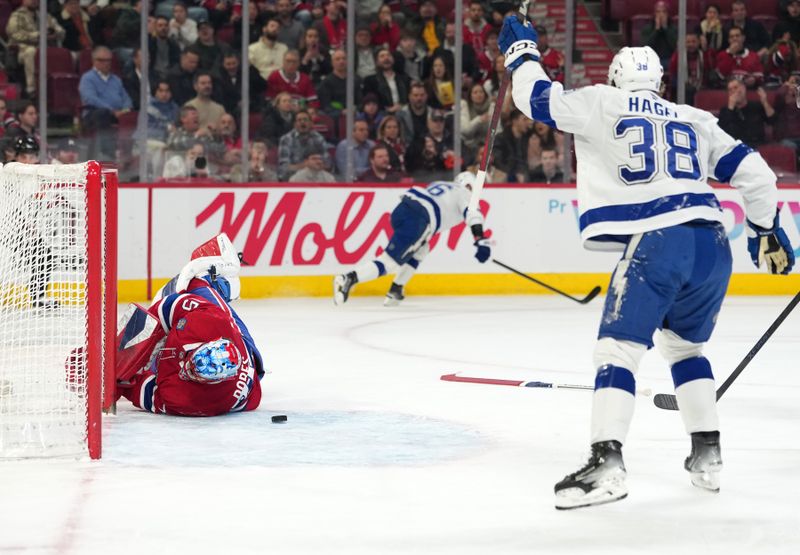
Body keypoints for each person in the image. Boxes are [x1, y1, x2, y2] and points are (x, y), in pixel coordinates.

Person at [498, 18, 794, 509]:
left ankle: (607, 463)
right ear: (658, 81)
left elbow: (535, 100)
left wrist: (522, 52)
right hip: (712, 242)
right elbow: (757, 174)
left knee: (616, 350)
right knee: (684, 349)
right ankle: (707, 456)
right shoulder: (693, 116)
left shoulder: (600, 100)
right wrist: (766, 228)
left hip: (659, 240)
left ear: (616, 77)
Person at [115, 233, 264, 416]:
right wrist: (142, 332)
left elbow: (142, 391)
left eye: (194, 372)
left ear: (209, 383)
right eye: (193, 362)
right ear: (206, 344)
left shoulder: (189, 401)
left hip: (240, 379)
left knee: (257, 371)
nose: (187, 369)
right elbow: (171, 305)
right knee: (196, 283)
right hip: (243, 348)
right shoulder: (212, 322)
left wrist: (117, 381)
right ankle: (217, 280)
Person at [333, 171, 491, 306]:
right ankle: (349, 278)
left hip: (403, 208)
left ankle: (396, 289)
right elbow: (473, 214)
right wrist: (480, 239)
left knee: (422, 248)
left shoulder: (442, 184)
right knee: (389, 262)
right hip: (419, 219)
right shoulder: (466, 194)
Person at [718, 78, 776, 146]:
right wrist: (730, 108)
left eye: (735, 87)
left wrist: (765, 102)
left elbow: (773, 120)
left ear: (743, 88)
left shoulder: (756, 106)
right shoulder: (725, 111)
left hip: (758, 146)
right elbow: (723, 133)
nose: (733, 91)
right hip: (737, 148)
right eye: (730, 90)